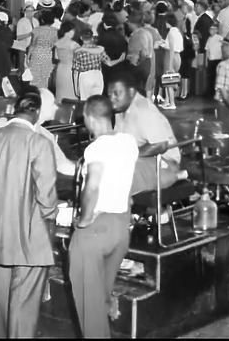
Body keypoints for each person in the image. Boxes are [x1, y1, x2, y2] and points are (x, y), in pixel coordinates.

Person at [0, 91, 59, 339]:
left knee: (1, 306)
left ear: (14, 109)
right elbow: (47, 197)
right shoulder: (39, 143)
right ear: (36, 113)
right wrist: (51, 222)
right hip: (31, 240)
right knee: (23, 308)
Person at [69, 95, 138, 339]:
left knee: (90, 309)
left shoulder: (95, 149)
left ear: (89, 118)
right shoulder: (129, 143)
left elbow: (93, 186)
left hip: (96, 231)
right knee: (101, 298)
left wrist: (83, 221)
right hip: (121, 228)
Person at [108, 74, 182, 195]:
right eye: (109, 94)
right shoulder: (121, 110)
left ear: (131, 92)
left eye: (116, 93)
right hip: (146, 162)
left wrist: (128, 155)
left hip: (165, 165)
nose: (112, 98)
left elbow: (161, 145)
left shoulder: (143, 109)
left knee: (117, 175)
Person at [73, 28, 106, 100]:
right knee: (97, 99)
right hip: (98, 75)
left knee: (85, 100)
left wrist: (76, 89)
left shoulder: (78, 52)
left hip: (85, 76)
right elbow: (103, 56)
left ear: (81, 38)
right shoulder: (98, 49)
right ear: (92, 37)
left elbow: (76, 69)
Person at [204, 24, 224, 95]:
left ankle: (218, 91)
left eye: (214, 29)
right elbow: (206, 50)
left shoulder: (220, 38)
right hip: (211, 60)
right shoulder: (208, 39)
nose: (212, 31)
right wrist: (206, 61)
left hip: (218, 59)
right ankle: (211, 91)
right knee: (211, 76)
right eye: (211, 29)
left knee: (218, 75)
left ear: (217, 30)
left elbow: (223, 46)